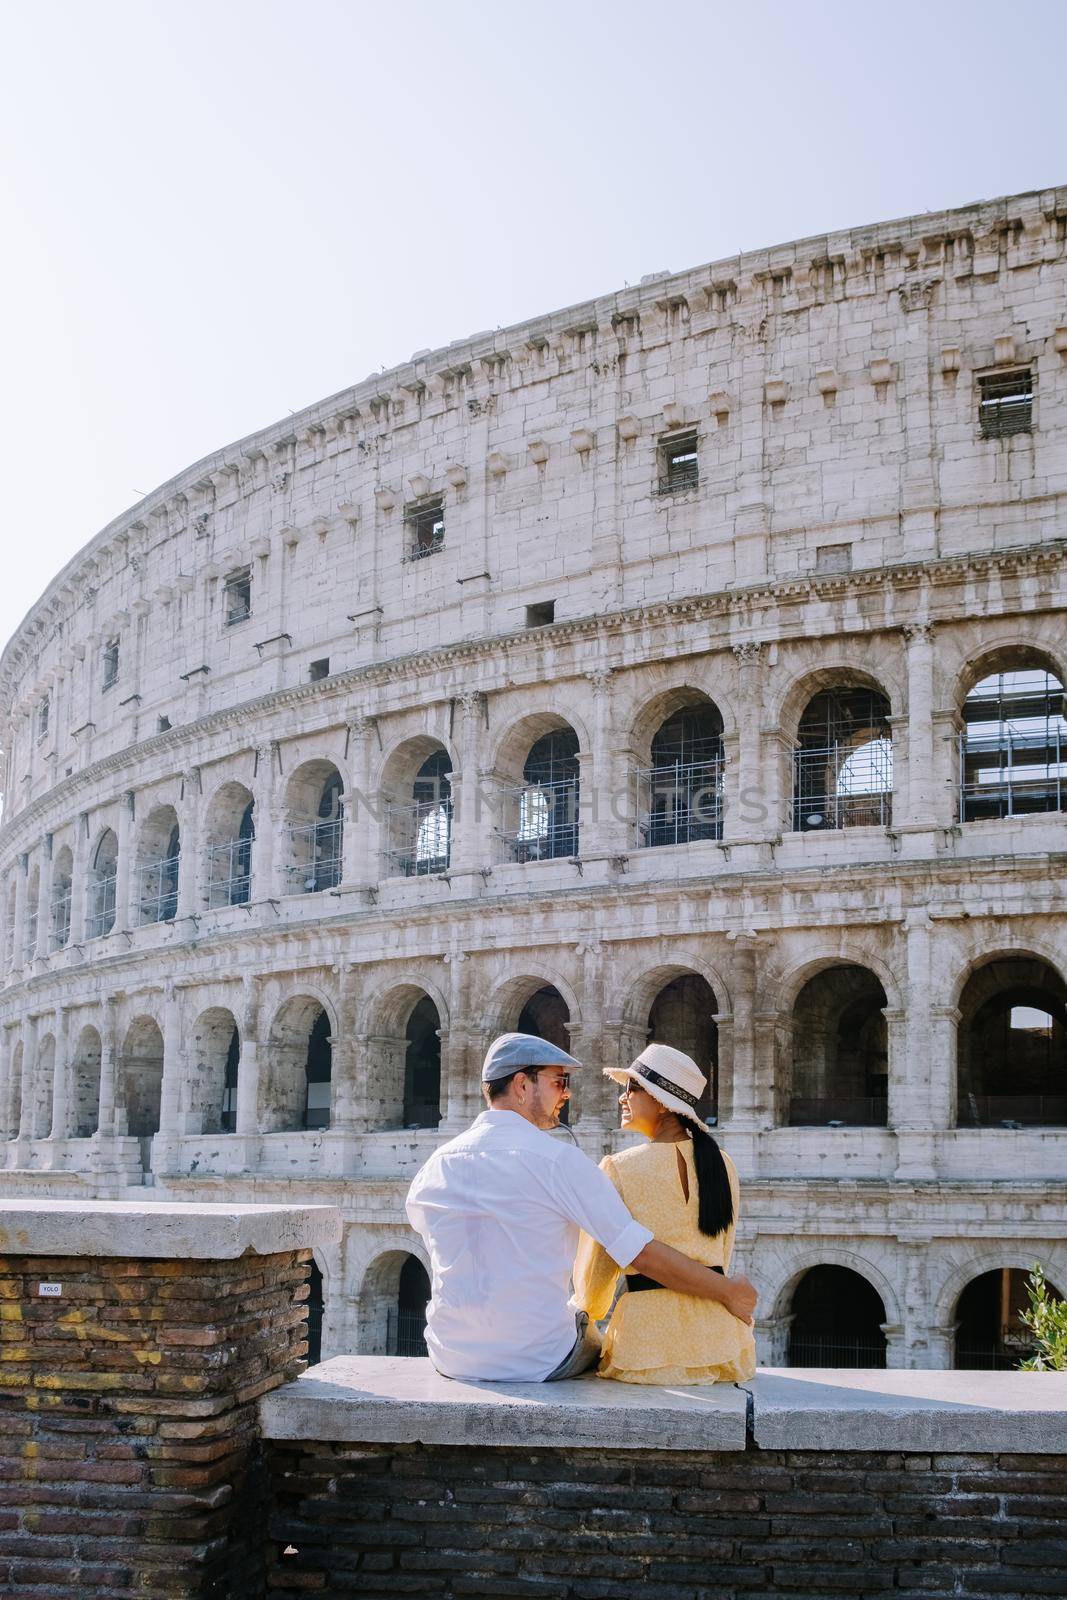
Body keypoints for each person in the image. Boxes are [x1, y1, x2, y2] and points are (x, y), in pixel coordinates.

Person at [405, 1032, 757, 1383]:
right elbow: (640, 1254)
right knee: (590, 1334)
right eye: (559, 1082)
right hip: (538, 1358)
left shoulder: (434, 1165)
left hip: (450, 1355)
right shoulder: (559, 1161)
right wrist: (729, 1292)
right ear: (522, 1086)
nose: (567, 1093)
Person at [573, 1042, 757, 1385]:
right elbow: (722, 1252)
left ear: (660, 1102)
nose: (622, 1097)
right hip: (721, 1340)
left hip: (647, 1343)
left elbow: (597, 1270)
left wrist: (590, 1309)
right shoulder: (723, 1164)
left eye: (632, 1087)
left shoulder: (618, 1168)